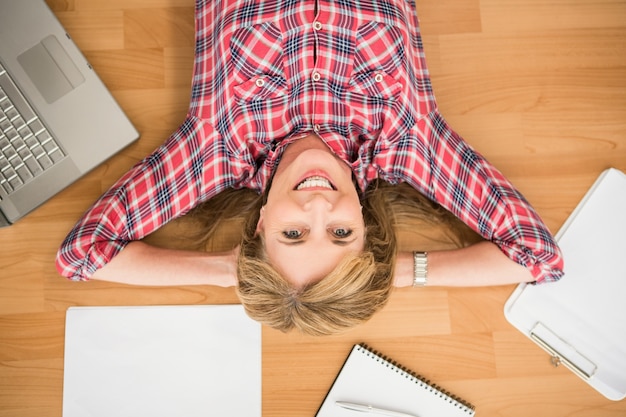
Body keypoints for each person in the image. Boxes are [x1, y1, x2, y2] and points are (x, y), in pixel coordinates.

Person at [56, 0, 564, 335]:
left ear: (259, 227)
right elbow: (538, 258)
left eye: (294, 233)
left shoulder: (216, 147)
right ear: (367, 229)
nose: (318, 205)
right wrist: (391, 274)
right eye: (342, 232)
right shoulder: (407, 141)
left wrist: (231, 271)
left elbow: (82, 256)